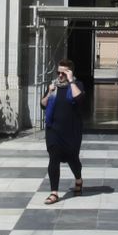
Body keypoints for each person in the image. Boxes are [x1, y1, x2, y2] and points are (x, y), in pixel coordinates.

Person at [40, 58, 84, 204]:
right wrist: (49, 93)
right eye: (58, 72)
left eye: (63, 73)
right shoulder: (53, 86)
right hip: (53, 129)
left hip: (72, 131)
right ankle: (54, 192)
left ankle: (78, 179)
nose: (59, 76)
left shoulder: (77, 85)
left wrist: (71, 81)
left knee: (73, 159)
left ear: (70, 72)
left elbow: (79, 99)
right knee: (54, 159)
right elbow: (43, 104)